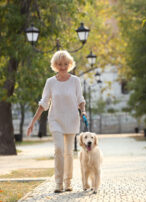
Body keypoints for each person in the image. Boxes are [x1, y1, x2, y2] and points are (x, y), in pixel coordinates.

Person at [27, 50, 87, 193]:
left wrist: (83, 111)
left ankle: (68, 182)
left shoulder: (75, 81)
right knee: (59, 149)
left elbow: (80, 100)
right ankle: (58, 183)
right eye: (60, 64)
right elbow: (44, 103)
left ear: (70, 64)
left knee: (68, 152)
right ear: (55, 65)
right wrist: (33, 122)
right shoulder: (50, 82)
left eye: (65, 64)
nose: (63, 67)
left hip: (71, 119)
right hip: (56, 120)